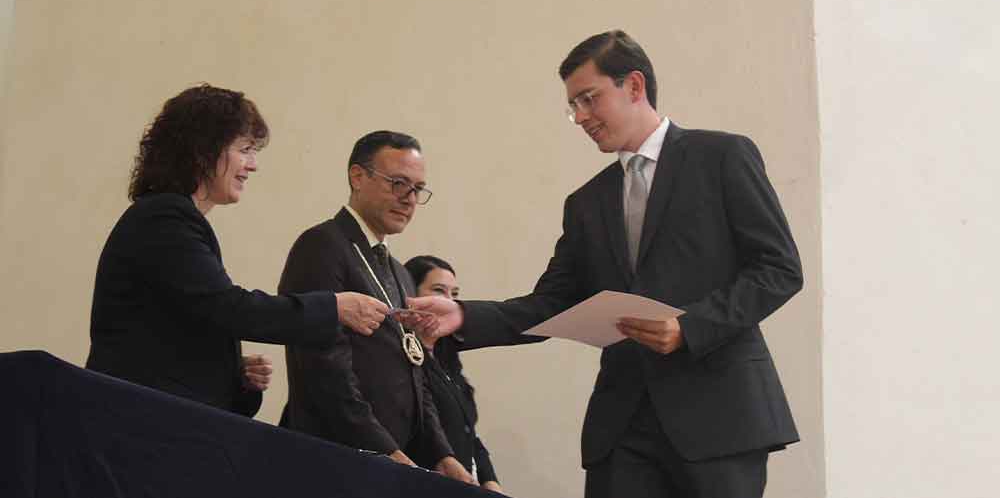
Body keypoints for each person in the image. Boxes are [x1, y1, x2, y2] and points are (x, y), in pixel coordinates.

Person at [410, 30, 804, 498]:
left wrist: (690, 327)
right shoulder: (586, 203)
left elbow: (778, 268)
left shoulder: (721, 157)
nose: (580, 117)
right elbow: (551, 304)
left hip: (720, 416)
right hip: (622, 429)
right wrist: (463, 315)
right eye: (573, 106)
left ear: (634, 86)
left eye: (589, 99)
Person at [86, 84, 388, 418]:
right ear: (202, 151)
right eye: (245, 149)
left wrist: (235, 375)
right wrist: (333, 308)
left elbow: (182, 328)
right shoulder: (164, 218)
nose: (252, 165)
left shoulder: (173, 218)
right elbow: (229, 308)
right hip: (135, 422)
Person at [278, 131, 473, 484]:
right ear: (358, 176)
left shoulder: (399, 272)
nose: (409, 199)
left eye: (417, 189)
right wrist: (382, 450)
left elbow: (415, 368)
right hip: (336, 457)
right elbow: (324, 370)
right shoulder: (323, 246)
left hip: (388, 462)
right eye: (398, 183)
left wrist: (441, 454)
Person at [404, 255, 506, 495]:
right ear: (410, 295)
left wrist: (490, 481)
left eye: (455, 294)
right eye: (439, 291)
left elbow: (469, 434)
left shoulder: (447, 360)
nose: (449, 302)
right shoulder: (402, 358)